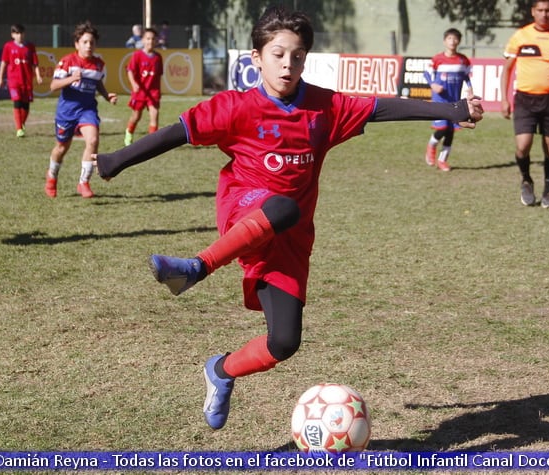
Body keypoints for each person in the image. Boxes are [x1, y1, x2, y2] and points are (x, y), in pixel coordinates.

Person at [92, 6, 483, 430]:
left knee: (283, 341)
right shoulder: (235, 107)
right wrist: (117, 159)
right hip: (245, 208)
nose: (287, 64)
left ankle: (220, 371)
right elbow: (176, 133)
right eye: (277, 54)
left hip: (291, 239)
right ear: (256, 57)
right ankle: (194, 268)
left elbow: (383, 108)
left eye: (297, 56)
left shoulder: (324, 108)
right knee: (281, 204)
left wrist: (456, 111)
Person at [501, 0, 549, 209]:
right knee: (523, 145)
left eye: (548, 10)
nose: (545, 14)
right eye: (541, 10)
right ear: (533, 12)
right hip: (525, 99)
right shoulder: (520, 36)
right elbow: (506, 70)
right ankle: (526, 179)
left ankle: (547, 193)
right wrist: (504, 98)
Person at [44, 21, 118, 199]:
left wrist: (107, 95)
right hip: (67, 112)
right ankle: (51, 177)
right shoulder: (67, 62)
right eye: (85, 42)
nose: (89, 46)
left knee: (93, 140)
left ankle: (83, 182)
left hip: (87, 110)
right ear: (77, 44)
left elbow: (97, 82)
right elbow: (53, 85)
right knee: (62, 147)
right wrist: (70, 79)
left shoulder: (99, 64)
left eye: (92, 42)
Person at [423, 28, 473, 172]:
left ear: (459, 41)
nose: (453, 41)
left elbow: (466, 77)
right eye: (450, 38)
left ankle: (442, 160)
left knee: (451, 130)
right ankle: (432, 145)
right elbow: (426, 73)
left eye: (455, 38)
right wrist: (433, 85)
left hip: (455, 99)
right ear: (445, 41)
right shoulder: (437, 59)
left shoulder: (463, 60)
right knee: (443, 127)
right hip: (440, 99)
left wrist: (469, 89)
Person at [0, 24, 43, 138]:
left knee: (25, 105)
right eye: (17, 33)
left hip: (27, 80)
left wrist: (38, 75)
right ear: (12, 35)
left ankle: (21, 124)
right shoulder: (8, 46)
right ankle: (19, 128)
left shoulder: (30, 47)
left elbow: (35, 63)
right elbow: (4, 63)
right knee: (17, 102)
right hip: (14, 81)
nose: (20, 36)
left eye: (21, 33)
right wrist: (0, 78)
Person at [124, 27, 163, 147]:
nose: (150, 41)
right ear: (142, 40)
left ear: (156, 41)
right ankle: (129, 132)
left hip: (153, 92)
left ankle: (152, 144)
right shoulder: (137, 55)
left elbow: (159, 75)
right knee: (136, 116)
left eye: (152, 39)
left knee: (154, 115)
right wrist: (134, 84)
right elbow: (130, 70)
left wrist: (158, 90)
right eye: (147, 38)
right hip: (140, 92)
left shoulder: (158, 57)